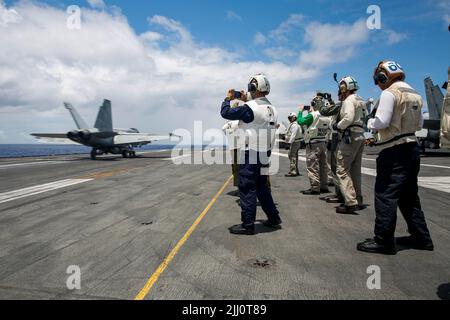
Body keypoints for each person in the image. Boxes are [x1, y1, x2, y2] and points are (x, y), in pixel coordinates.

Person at [357, 61, 434, 255]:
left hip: (394, 151)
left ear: (384, 77)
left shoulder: (389, 93)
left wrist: (370, 122)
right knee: (409, 197)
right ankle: (421, 237)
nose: (378, 84)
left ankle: (383, 241)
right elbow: (420, 123)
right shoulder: (415, 94)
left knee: (385, 194)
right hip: (412, 148)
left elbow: (381, 122)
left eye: (378, 80)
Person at [220, 74, 282, 235]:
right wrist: (245, 98)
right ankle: (274, 218)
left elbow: (226, 112)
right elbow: (256, 115)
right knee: (262, 187)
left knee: (247, 187)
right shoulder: (273, 109)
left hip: (251, 153)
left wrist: (228, 98)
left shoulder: (251, 108)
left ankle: (247, 224)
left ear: (253, 88)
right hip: (264, 152)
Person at [333, 76, 367, 214]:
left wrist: (338, 126)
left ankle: (350, 202)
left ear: (344, 87)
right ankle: (358, 199)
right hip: (360, 134)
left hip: (350, 135)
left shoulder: (348, 100)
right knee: (355, 170)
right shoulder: (361, 100)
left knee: (341, 169)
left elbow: (348, 118)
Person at [314, 93, 345, 204]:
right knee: (334, 167)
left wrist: (319, 101)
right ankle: (340, 193)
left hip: (335, 138)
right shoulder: (342, 106)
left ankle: (339, 194)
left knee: (334, 167)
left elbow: (325, 111)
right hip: (334, 138)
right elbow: (333, 108)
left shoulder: (341, 105)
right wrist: (330, 99)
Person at [298, 104, 330, 195]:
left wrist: (300, 111)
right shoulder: (326, 115)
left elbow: (300, 121)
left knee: (312, 166)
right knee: (323, 166)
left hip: (313, 143)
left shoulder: (313, 115)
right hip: (323, 142)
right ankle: (324, 186)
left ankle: (315, 187)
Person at [222, 119, 240, 196]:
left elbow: (223, 129)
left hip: (235, 148)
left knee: (236, 169)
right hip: (243, 148)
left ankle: (240, 189)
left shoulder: (230, 124)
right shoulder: (242, 121)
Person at [285, 112, 302, 177]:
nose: (289, 119)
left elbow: (293, 135)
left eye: (290, 117)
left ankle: (293, 171)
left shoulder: (294, 125)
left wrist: (289, 143)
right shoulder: (294, 124)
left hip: (294, 142)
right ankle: (296, 170)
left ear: (294, 117)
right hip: (296, 142)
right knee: (294, 156)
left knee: (292, 156)